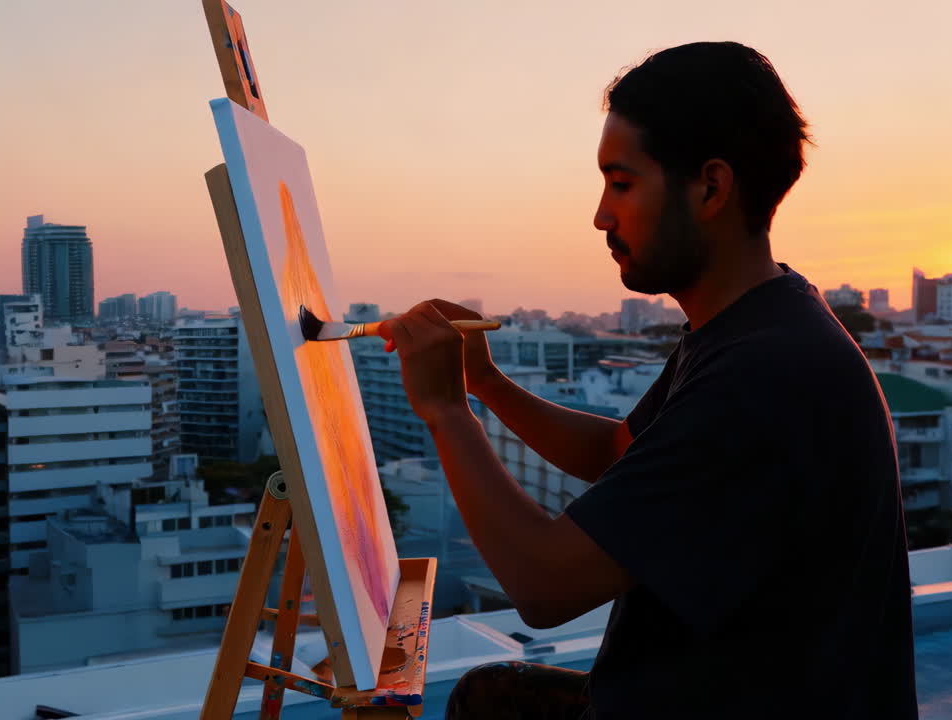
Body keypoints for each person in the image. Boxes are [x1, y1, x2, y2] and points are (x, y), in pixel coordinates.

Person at [380, 41, 918, 719]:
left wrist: (446, 413)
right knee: (488, 699)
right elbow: (619, 452)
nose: (601, 215)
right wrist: (486, 384)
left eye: (622, 183)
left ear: (711, 187)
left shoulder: (768, 374)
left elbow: (542, 587)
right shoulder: (758, 322)